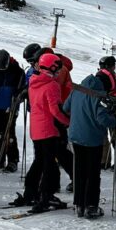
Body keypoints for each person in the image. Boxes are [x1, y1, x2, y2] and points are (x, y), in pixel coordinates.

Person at [64, 68, 116, 218]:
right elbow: (103, 119)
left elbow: (66, 107)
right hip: (93, 139)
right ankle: (91, 205)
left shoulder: (77, 90)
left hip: (75, 136)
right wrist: (115, 120)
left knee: (79, 171)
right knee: (93, 173)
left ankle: (79, 204)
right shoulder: (99, 96)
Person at [25, 53, 71, 213]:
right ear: (52, 67)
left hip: (36, 128)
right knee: (49, 164)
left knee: (39, 161)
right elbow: (55, 110)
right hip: (49, 129)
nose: (59, 72)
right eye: (57, 68)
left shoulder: (33, 82)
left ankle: (30, 191)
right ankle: (46, 196)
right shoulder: (52, 85)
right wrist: (67, 121)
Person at [0, 49, 26, 172]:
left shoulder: (17, 71)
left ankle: (12, 160)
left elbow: (22, 88)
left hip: (10, 105)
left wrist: (19, 96)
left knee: (9, 133)